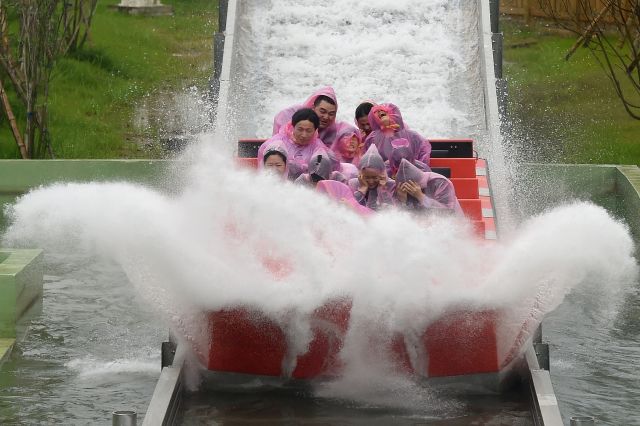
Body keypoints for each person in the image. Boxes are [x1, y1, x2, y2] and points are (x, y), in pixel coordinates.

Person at [258, 108, 326, 179]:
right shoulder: (275, 143)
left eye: (308, 131)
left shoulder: (319, 147)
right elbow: (263, 173)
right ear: (293, 127)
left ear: (315, 130)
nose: (304, 135)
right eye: (300, 129)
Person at [272, 86, 347, 147]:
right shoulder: (287, 115)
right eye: (322, 111)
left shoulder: (331, 131)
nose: (326, 117)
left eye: (331, 114)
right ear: (313, 107)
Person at [364, 103, 431, 164]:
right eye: (376, 113)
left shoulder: (413, 136)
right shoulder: (372, 139)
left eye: (383, 112)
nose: (379, 112)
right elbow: (368, 161)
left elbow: (423, 152)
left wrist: (414, 168)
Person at [394, 159, 462, 215]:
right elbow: (400, 218)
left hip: (450, 223)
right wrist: (403, 201)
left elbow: (448, 212)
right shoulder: (398, 190)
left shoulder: (440, 182)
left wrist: (421, 196)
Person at [348, 145, 395, 211]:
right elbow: (349, 208)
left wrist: (382, 190)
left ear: (382, 174)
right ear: (360, 174)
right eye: (367, 177)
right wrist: (362, 189)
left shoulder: (391, 185)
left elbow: (392, 211)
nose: (371, 181)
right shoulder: (353, 183)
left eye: (375, 177)